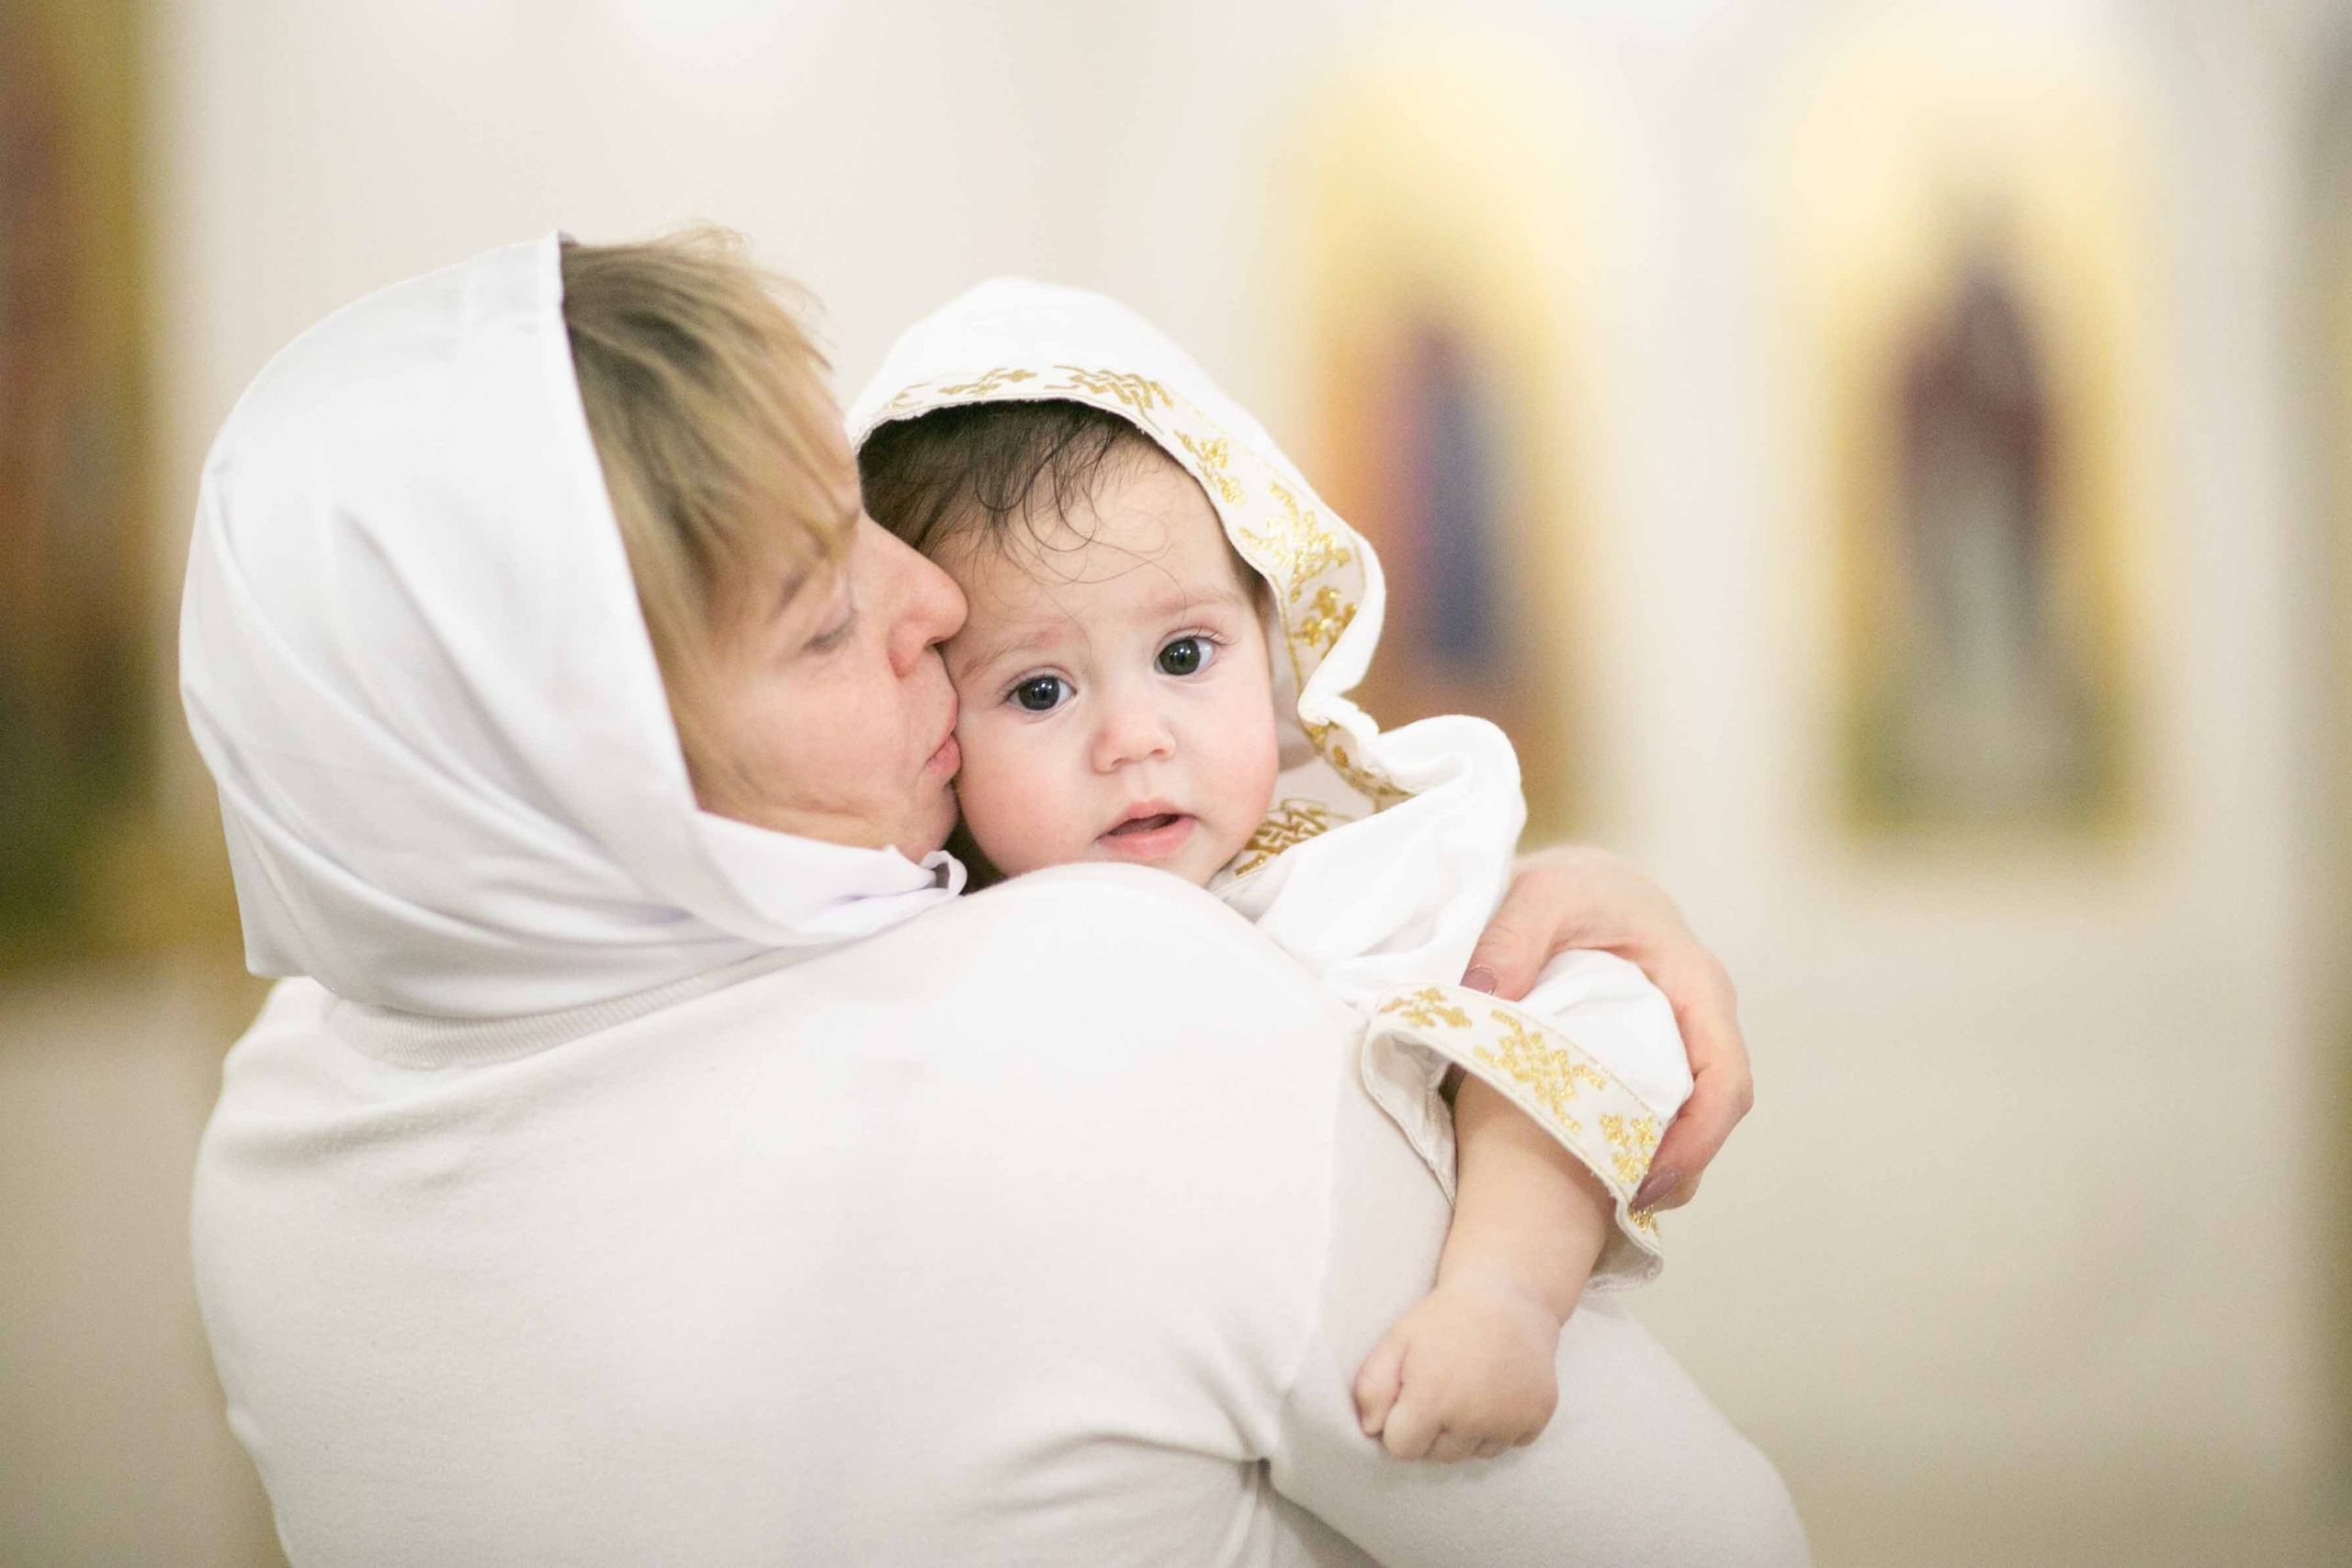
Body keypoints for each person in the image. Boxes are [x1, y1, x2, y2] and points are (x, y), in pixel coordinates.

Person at [180, 229, 1803, 1565]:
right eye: (823, 619)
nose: (936, 596)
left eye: (858, 517)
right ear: (586, 777)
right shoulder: (1103, 1001)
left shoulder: (272, 1139)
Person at [853, 280, 1692, 1463]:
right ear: (934, 714)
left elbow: (1579, 1037)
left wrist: (1504, 1298)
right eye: (1039, 690)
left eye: (1184, 655)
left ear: (1273, 643)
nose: (1133, 736)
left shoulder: (1351, 877)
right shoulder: (918, 944)